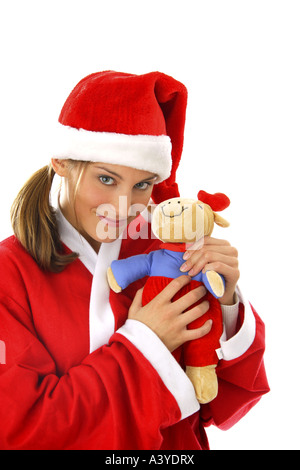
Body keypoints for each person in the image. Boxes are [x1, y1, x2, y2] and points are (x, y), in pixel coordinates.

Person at [0, 71, 269, 450]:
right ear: (61, 161)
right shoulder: (8, 274)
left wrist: (226, 304)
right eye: (107, 179)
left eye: (142, 185)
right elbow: (21, 428)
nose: (124, 206)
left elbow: (222, 403)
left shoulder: (168, 250)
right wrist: (145, 342)